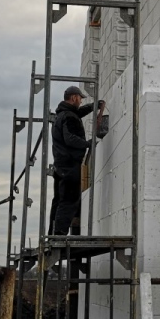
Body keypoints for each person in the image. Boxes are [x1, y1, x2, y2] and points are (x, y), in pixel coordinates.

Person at [48, 86, 106, 238]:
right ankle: (60, 235)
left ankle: (53, 233)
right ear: (74, 98)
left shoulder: (62, 114)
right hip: (69, 165)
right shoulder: (69, 117)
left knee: (59, 200)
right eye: (80, 98)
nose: (80, 102)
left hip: (61, 165)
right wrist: (88, 143)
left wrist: (93, 106)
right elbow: (70, 139)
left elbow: (78, 113)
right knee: (69, 200)